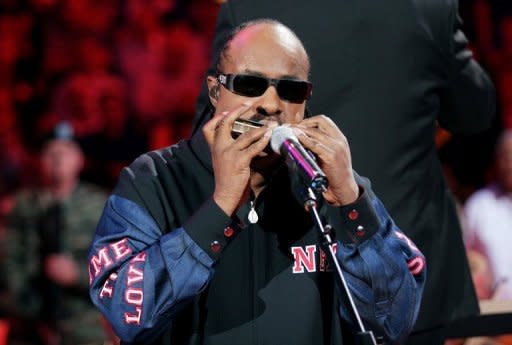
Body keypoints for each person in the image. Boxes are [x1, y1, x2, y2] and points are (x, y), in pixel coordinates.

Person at [88, 20, 426, 345]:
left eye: (291, 90)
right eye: (250, 85)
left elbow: (392, 324)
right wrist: (220, 210)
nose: (270, 104)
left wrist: (356, 206)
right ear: (215, 91)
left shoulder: (334, 186)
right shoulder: (153, 180)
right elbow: (126, 313)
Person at [192, 2, 497, 344]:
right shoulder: (427, 8)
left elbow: (213, 133)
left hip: (285, 270)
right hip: (406, 275)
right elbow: (474, 113)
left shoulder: (251, 8)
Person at [2, 122, 110, 345]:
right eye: (51, 152)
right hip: (31, 324)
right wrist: (29, 311)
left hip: (84, 324)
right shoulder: (23, 206)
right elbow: (10, 261)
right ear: (39, 160)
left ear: (80, 159)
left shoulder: (101, 205)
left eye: (66, 151)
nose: (58, 158)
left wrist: (78, 274)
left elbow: (119, 267)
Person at [464, 130, 512, 301]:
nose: (509, 163)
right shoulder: (480, 205)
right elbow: (467, 262)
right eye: (505, 156)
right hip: (496, 314)